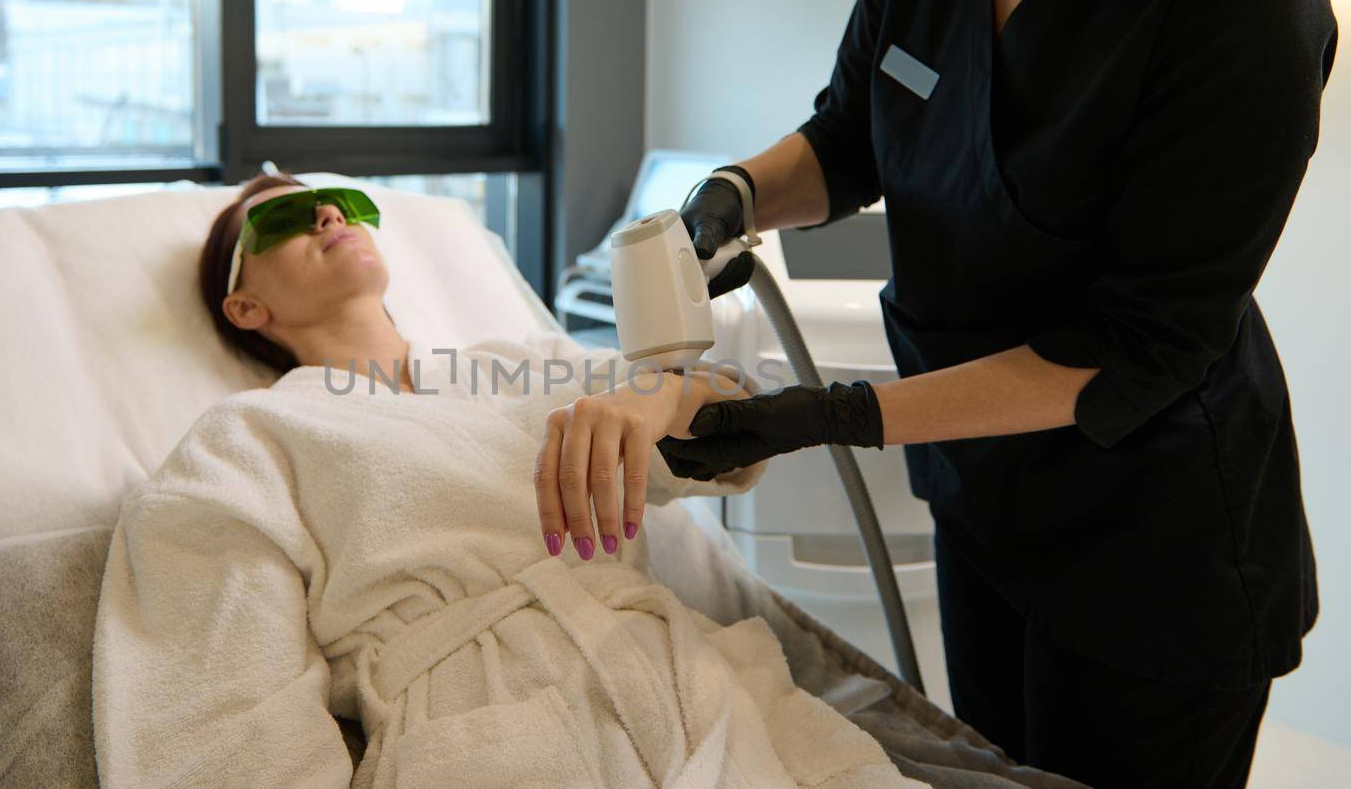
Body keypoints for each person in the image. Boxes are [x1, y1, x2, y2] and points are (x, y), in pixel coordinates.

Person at [654, 0, 1338, 786]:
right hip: (984, 507)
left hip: (1152, 548)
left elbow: (1139, 344)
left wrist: (826, 418)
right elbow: (849, 138)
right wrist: (736, 192)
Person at [89, 173, 928, 788]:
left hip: (698, 696)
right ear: (245, 309)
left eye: (350, 205)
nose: (328, 212)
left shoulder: (519, 368)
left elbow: (733, 431)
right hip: (490, 737)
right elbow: (223, 718)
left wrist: (658, 393)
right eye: (275, 220)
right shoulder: (247, 438)